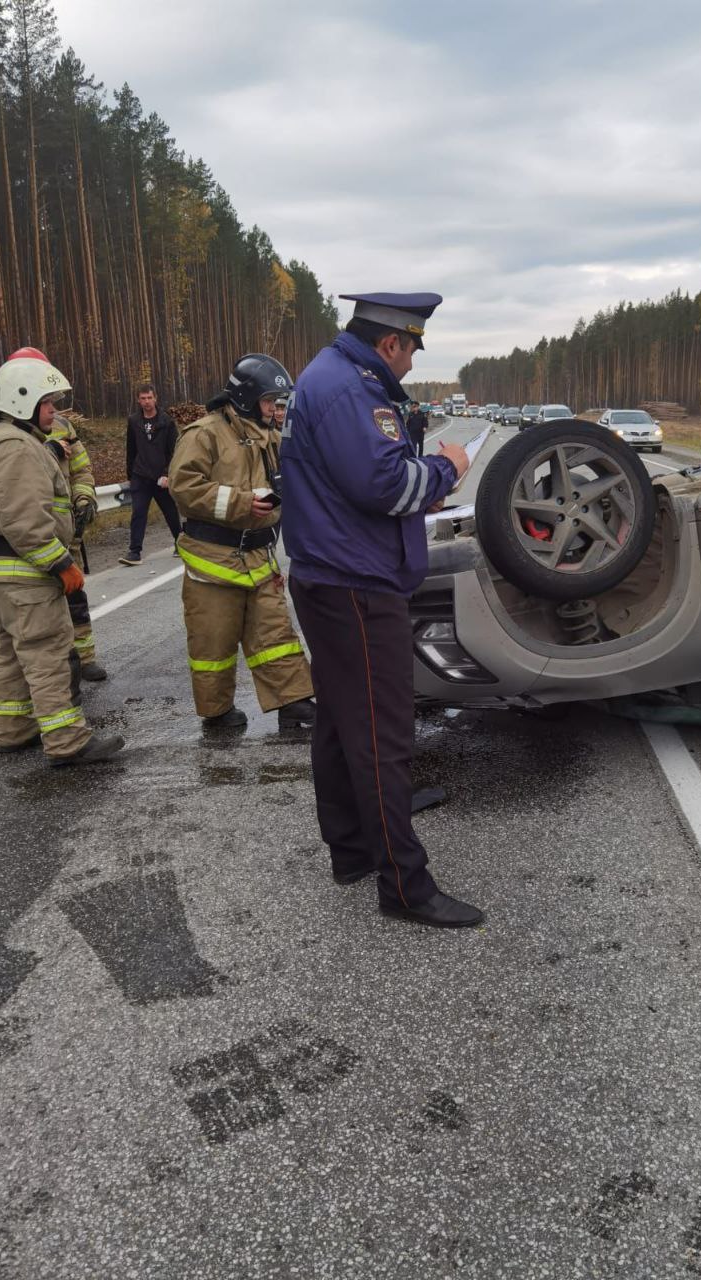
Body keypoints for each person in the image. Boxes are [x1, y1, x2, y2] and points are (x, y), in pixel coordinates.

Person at [281, 292, 483, 929]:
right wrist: (446, 469)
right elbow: (388, 484)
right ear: (392, 342)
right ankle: (405, 884)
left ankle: (353, 847)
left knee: (344, 722)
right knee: (383, 735)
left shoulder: (332, 376)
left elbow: (356, 485)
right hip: (355, 584)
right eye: (411, 349)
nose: (409, 362)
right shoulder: (350, 388)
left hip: (337, 573)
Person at [168, 353, 316, 733]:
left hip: (258, 558)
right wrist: (242, 502)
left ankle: (295, 702)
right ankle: (216, 713)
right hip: (213, 563)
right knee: (212, 644)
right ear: (247, 397)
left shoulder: (269, 437)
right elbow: (185, 488)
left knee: (276, 634)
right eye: (269, 401)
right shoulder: (203, 434)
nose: (273, 409)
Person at [0, 356, 124, 765]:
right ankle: (67, 741)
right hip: (26, 574)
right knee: (47, 655)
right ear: (22, 403)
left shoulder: (5, 440)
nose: (54, 410)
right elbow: (25, 520)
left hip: (4, 576)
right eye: (48, 402)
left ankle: (13, 731)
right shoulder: (19, 448)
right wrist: (60, 564)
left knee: (8, 656)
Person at [5, 347, 107, 681]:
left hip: (66, 534)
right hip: (29, 541)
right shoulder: (8, 434)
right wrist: (43, 450)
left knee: (75, 598)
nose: (49, 404)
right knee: (35, 613)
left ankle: (84, 656)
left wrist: (84, 497)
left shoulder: (61, 425)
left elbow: (81, 466)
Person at [120, 383, 182, 564]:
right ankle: (134, 552)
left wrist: (168, 474)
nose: (147, 402)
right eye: (143, 398)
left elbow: (174, 451)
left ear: (155, 398)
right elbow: (130, 449)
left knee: (170, 511)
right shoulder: (134, 421)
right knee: (138, 513)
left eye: (149, 398)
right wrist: (130, 475)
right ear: (138, 400)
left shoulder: (167, 422)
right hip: (140, 475)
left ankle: (180, 542)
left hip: (161, 476)